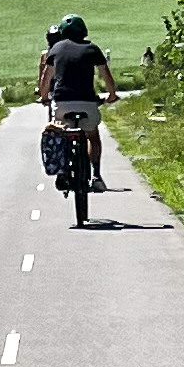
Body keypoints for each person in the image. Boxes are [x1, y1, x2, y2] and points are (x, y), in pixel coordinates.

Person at [37, 13, 116, 228]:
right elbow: (105, 75)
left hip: (62, 104)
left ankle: (63, 172)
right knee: (92, 135)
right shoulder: (93, 49)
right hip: (87, 103)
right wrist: (111, 94)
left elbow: (47, 77)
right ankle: (96, 175)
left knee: (60, 133)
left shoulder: (56, 50)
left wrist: (44, 97)